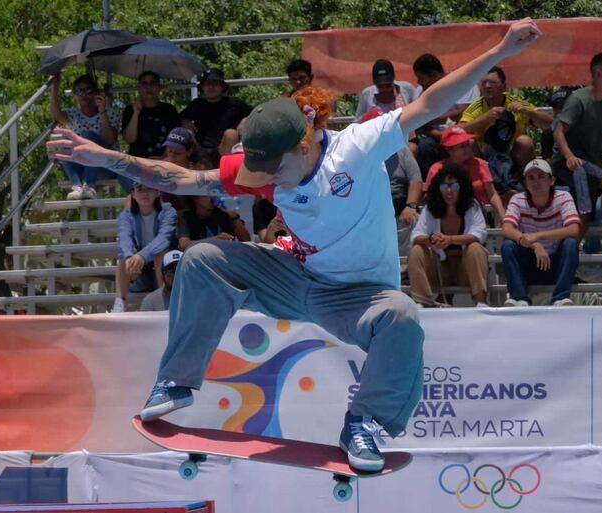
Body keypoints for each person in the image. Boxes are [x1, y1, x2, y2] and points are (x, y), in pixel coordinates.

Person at [47, 18, 543, 472]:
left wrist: (500, 50)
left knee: (403, 316)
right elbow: (180, 178)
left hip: (358, 297)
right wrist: (105, 156)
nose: (261, 181)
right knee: (201, 260)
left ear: (304, 143)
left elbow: (432, 102)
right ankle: (177, 381)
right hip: (293, 277)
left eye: (271, 169)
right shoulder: (259, 167)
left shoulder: (359, 146)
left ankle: (364, 423)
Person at [552, 52, 602, 254]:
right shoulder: (578, 100)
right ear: (598, 73)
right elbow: (558, 131)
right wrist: (569, 156)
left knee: (584, 217)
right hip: (567, 162)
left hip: (589, 166)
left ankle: (561, 258)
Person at [501, 159, 580, 307]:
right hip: (530, 263)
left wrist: (538, 236)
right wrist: (535, 245)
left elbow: (574, 229)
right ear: (525, 182)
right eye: (531, 178)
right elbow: (507, 229)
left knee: (570, 243)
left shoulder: (563, 197)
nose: (536, 182)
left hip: (555, 263)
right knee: (508, 246)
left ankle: (560, 298)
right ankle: (520, 298)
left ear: (552, 180)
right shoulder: (517, 199)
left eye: (541, 176)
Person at [408, 163, 489, 307]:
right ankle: (422, 302)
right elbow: (416, 236)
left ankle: (481, 301)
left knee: (475, 248)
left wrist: (450, 239)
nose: (449, 191)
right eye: (444, 187)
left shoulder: (472, 207)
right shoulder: (430, 208)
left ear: (462, 187)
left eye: (454, 186)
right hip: (440, 271)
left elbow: (479, 234)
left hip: (465, 271)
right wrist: (432, 239)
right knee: (416, 251)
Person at [361, 108, 422, 255]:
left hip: (399, 205)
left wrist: (411, 205)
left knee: (414, 219)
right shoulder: (358, 153)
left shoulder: (401, 149)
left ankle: (404, 272)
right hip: (371, 208)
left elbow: (415, 178)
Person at [49, 74, 120, 199]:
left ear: (95, 93)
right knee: (64, 139)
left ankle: (89, 185)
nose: (84, 95)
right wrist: (54, 87)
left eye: (88, 90)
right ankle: (77, 185)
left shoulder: (110, 112)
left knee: (87, 136)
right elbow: (56, 115)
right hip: (81, 167)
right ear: (75, 95)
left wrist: (102, 111)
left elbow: (110, 140)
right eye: (79, 91)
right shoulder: (74, 114)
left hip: (105, 166)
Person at [458, 66, 552, 160]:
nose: (488, 86)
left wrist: (527, 111)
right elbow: (457, 131)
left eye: (493, 82)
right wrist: (485, 118)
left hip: (513, 154)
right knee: (470, 142)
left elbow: (550, 124)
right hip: (485, 155)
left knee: (524, 141)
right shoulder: (476, 107)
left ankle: (522, 174)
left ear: (504, 86)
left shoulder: (516, 103)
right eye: (484, 83)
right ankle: (480, 174)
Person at [411, 53, 480, 176]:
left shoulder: (462, 82)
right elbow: (418, 122)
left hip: (460, 133)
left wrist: (430, 120)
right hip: (433, 136)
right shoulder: (419, 92)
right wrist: (438, 135)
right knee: (425, 147)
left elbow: (461, 113)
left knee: (466, 144)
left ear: (434, 75)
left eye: (421, 78)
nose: (418, 82)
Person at [113, 183, 177, 313]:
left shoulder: (168, 211)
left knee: (161, 252)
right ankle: (119, 303)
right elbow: (124, 238)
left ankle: (164, 303)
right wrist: (131, 258)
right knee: (125, 254)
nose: (145, 193)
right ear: (133, 195)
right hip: (138, 273)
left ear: (158, 192)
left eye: (149, 188)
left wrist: (142, 256)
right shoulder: (126, 215)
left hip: (167, 274)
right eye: (140, 189)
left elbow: (164, 238)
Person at [424, 126, 505, 222]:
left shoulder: (480, 164)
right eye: (462, 146)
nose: (467, 149)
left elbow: (492, 194)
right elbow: (430, 197)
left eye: (467, 144)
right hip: (447, 219)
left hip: (480, 216)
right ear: (449, 150)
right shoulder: (436, 169)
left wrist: (502, 216)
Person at [180, 68, 251, 165]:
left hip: (224, 148)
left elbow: (256, 113)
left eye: (215, 83)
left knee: (231, 134)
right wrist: (184, 122)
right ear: (203, 87)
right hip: (199, 149)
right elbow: (179, 117)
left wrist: (245, 120)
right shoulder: (196, 104)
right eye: (207, 83)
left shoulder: (234, 103)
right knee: (185, 132)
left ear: (222, 87)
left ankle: (227, 171)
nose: (211, 87)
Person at [121, 71, 180, 161]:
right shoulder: (130, 109)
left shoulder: (169, 110)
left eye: (153, 83)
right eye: (144, 84)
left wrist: (163, 158)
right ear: (139, 88)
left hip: (163, 160)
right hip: (136, 161)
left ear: (159, 87)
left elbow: (173, 139)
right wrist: (136, 113)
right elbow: (129, 140)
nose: (149, 87)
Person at [177, 195, 251, 250]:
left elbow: (246, 240)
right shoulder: (186, 217)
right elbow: (183, 245)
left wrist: (234, 216)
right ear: (196, 199)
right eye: (206, 195)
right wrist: (214, 240)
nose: (211, 198)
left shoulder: (223, 213)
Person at [355, 59, 420, 120]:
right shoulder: (367, 94)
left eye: (388, 86)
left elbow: (418, 110)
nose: (385, 89)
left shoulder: (407, 89)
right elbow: (358, 122)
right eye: (380, 87)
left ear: (393, 80)